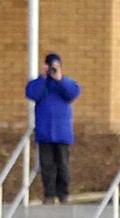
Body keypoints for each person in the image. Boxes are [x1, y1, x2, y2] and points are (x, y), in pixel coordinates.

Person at [24, 52, 79, 204]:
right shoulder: (40, 83)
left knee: (62, 164)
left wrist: (60, 79)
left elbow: (73, 93)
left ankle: (63, 194)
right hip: (44, 131)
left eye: (55, 66)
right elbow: (31, 93)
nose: (52, 70)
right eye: (50, 66)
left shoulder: (66, 83)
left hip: (62, 132)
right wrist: (42, 78)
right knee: (46, 165)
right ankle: (49, 194)